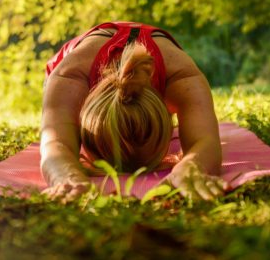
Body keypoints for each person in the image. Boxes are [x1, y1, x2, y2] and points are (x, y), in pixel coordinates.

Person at [40, 21, 226, 202]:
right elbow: (54, 145)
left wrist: (192, 166)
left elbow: (206, 142)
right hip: (77, 68)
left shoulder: (182, 76)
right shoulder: (69, 76)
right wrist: (66, 175)